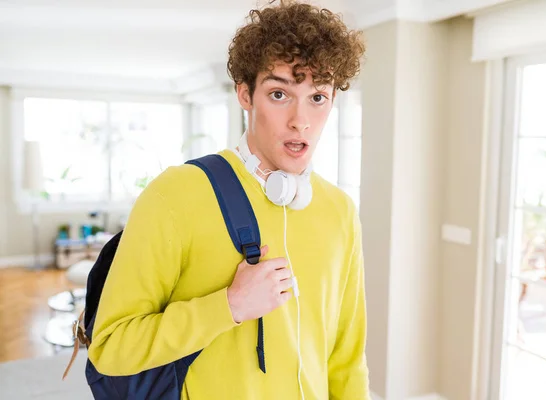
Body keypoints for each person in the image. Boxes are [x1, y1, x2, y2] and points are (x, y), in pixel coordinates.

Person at [87, 1, 368, 399]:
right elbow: (111, 348)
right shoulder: (176, 194)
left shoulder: (339, 210)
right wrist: (228, 306)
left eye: (317, 98)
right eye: (278, 93)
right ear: (245, 95)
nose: (300, 120)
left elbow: (347, 358)